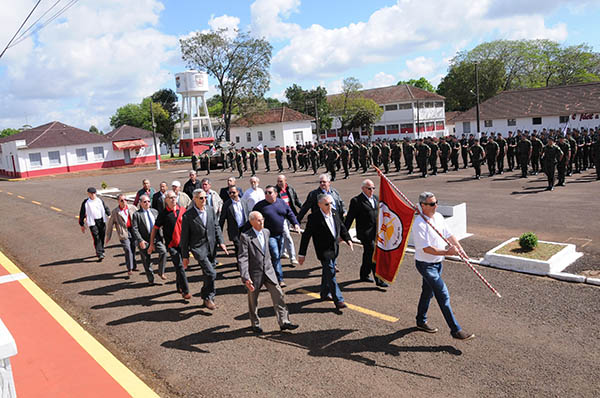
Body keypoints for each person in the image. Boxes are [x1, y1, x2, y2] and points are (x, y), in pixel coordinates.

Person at [412, 192, 474, 340]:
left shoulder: (438, 217)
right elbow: (426, 248)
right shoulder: (419, 223)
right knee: (442, 294)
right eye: (432, 204)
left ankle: (420, 321)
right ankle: (455, 330)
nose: (436, 206)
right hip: (426, 265)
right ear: (423, 206)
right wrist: (448, 252)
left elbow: (448, 235)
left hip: (438, 263)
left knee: (428, 292)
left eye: (436, 202)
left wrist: (460, 249)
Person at [238, 211, 299, 334]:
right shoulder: (245, 237)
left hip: (269, 271)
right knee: (253, 300)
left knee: (279, 294)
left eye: (262, 219)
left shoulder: (266, 232)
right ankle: (255, 323)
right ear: (251, 222)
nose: (262, 222)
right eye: (259, 220)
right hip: (254, 274)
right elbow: (243, 258)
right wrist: (245, 277)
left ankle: (284, 321)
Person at [298, 194, 353, 310]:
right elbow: (306, 236)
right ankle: (339, 300)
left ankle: (324, 293)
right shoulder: (314, 218)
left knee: (327, 271)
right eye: (327, 204)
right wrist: (302, 254)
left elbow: (341, 227)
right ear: (319, 205)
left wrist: (348, 239)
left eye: (331, 203)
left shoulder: (334, 212)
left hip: (334, 248)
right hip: (323, 251)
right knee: (331, 273)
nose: (330, 206)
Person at [180, 189, 228, 309]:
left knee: (208, 275)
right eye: (201, 198)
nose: (204, 200)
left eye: (205, 197)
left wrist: (221, 242)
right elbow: (184, 238)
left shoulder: (210, 210)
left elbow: (216, 226)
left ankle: (206, 297)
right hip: (198, 248)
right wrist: (185, 256)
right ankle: (208, 297)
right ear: (194, 199)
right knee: (211, 273)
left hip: (211, 246)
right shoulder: (187, 215)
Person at [252, 185, 300, 288]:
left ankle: (269, 274)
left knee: (275, 256)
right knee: (275, 255)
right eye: (266, 193)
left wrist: (295, 224)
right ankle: (279, 279)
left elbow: (289, 213)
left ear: (275, 194)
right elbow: (252, 218)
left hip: (280, 234)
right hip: (269, 236)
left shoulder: (281, 203)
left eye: (270, 192)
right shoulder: (260, 206)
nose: (267, 194)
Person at [344, 179, 388, 287]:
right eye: (369, 188)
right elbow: (350, 218)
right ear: (363, 188)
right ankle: (379, 280)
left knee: (368, 254)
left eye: (373, 188)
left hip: (376, 233)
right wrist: (344, 233)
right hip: (365, 233)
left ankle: (364, 274)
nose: (371, 190)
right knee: (373, 253)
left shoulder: (376, 199)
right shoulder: (356, 201)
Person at [149, 190, 190, 299]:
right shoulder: (163, 214)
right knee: (180, 266)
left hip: (183, 244)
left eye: (174, 197)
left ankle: (179, 286)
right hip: (172, 246)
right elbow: (155, 229)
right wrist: (151, 243)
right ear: (166, 200)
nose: (173, 199)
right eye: (170, 198)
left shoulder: (183, 210)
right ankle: (185, 291)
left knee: (180, 267)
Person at [131, 194, 167, 284]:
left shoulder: (155, 212)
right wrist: (140, 240)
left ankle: (161, 271)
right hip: (144, 240)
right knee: (146, 260)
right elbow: (135, 229)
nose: (147, 203)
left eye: (148, 201)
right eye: (144, 202)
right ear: (140, 203)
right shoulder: (137, 214)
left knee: (163, 252)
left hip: (156, 239)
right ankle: (151, 279)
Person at [105, 194, 138, 277]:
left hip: (133, 231)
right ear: (118, 201)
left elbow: (139, 217)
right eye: (122, 200)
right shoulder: (115, 212)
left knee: (133, 248)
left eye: (125, 200)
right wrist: (108, 236)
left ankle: (133, 265)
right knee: (127, 249)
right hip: (123, 232)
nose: (124, 202)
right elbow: (110, 224)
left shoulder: (132, 208)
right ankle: (129, 268)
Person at [275, 175, 302, 267]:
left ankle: (283, 252)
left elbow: (296, 200)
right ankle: (293, 258)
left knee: (283, 234)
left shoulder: (290, 189)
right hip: (281, 216)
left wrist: (302, 208)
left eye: (281, 181)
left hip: (290, 215)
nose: (279, 183)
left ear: (285, 181)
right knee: (287, 235)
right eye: (278, 181)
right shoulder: (275, 191)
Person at [78, 187, 110, 261]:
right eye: (91, 194)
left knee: (102, 236)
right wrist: (81, 224)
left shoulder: (99, 200)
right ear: (88, 194)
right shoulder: (86, 202)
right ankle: (99, 253)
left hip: (101, 220)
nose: (93, 195)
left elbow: (105, 208)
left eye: (94, 193)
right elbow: (82, 213)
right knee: (96, 236)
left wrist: (109, 214)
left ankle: (101, 249)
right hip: (92, 222)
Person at [219, 185, 249, 259]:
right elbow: (222, 219)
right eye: (230, 193)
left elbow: (247, 215)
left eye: (233, 192)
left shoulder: (244, 202)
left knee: (246, 247)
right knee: (238, 247)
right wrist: (219, 233)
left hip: (244, 228)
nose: (231, 194)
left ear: (238, 192)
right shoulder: (227, 204)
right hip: (234, 230)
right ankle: (240, 263)